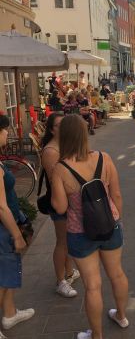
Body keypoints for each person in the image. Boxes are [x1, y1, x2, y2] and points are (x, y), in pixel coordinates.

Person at [51, 115, 129, 339]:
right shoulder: (104, 158)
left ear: (63, 137)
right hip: (110, 225)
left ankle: (97, 335)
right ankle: (121, 316)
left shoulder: (61, 169)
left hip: (80, 232)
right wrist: (116, 220)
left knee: (93, 286)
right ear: (85, 134)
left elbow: (60, 207)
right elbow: (116, 194)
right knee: (117, 274)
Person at [0, 113, 35, 338]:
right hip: (3, 228)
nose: (6, 134)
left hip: (7, 224)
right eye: (4, 130)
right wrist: (17, 235)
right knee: (2, 277)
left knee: (9, 270)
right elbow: (1, 207)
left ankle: (10, 313)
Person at [41, 114, 80, 298]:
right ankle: (60, 281)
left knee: (69, 239)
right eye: (59, 125)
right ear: (51, 129)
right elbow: (55, 181)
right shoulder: (50, 151)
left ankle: (70, 272)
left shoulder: (64, 146)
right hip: (59, 202)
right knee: (62, 241)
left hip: (70, 200)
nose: (63, 127)